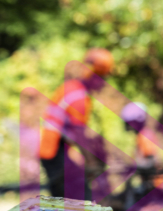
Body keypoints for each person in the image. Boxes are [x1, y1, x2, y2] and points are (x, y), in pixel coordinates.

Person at [39, 48, 114, 200]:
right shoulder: (79, 97)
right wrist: (91, 161)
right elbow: (79, 134)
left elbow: (67, 130)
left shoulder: (70, 88)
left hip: (52, 149)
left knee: (62, 198)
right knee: (80, 197)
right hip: (54, 150)